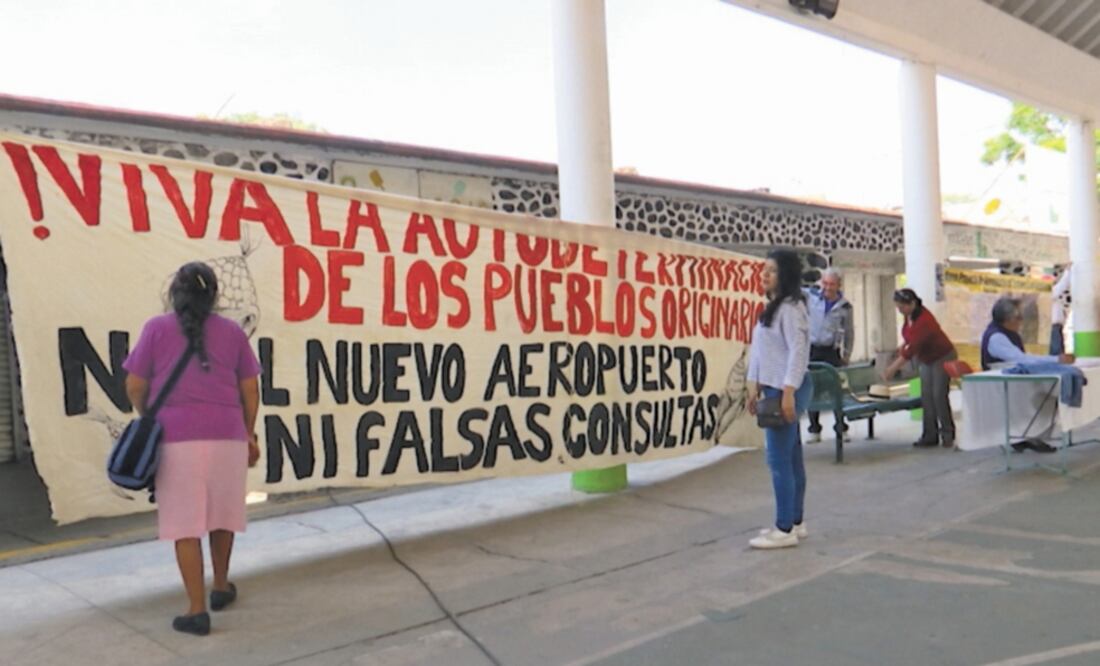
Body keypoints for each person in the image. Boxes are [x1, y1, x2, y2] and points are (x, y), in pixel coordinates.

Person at [124, 262, 262, 636]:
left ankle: (196, 610)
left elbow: (135, 385)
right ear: (214, 296)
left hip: (176, 440)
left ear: (175, 293)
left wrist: (150, 415)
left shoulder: (156, 329)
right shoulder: (233, 332)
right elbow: (251, 390)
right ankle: (221, 586)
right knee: (221, 516)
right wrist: (249, 434)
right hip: (228, 438)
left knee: (186, 525)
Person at [747, 249, 813, 550]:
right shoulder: (773, 307)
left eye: (771, 270)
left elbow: (798, 351)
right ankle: (795, 521)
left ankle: (784, 527)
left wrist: (788, 392)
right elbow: (760, 350)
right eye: (764, 269)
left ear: (784, 275)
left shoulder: (791, 308)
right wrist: (752, 384)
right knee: (792, 457)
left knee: (778, 460)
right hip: (774, 388)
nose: (764, 275)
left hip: (786, 389)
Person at [882, 288, 957, 449]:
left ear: (912, 303)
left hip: (941, 356)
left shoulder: (925, 320)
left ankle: (948, 434)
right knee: (927, 396)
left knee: (938, 395)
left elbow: (911, 349)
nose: (900, 311)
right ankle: (930, 435)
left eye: (902, 307)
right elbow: (909, 339)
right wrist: (899, 349)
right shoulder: (909, 317)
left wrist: (891, 369)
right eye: (898, 307)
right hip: (926, 358)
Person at [804, 268, 854, 443]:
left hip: (831, 351)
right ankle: (814, 429)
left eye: (831, 284)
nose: (827, 288)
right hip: (811, 349)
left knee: (836, 391)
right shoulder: (811, 298)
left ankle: (841, 427)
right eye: (825, 283)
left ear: (838, 285)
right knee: (812, 389)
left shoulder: (845, 307)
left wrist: (847, 354)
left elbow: (849, 332)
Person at [981, 297, 1074, 370]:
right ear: (1008, 320)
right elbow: (1021, 360)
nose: (1021, 321)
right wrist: (1057, 360)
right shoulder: (996, 337)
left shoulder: (1009, 332)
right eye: (1018, 317)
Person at [1050, 263, 1071, 356]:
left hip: (1057, 326)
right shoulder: (1053, 292)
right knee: (1057, 354)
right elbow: (1063, 285)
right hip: (1055, 326)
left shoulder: (1054, 293)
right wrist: (1068, 271)